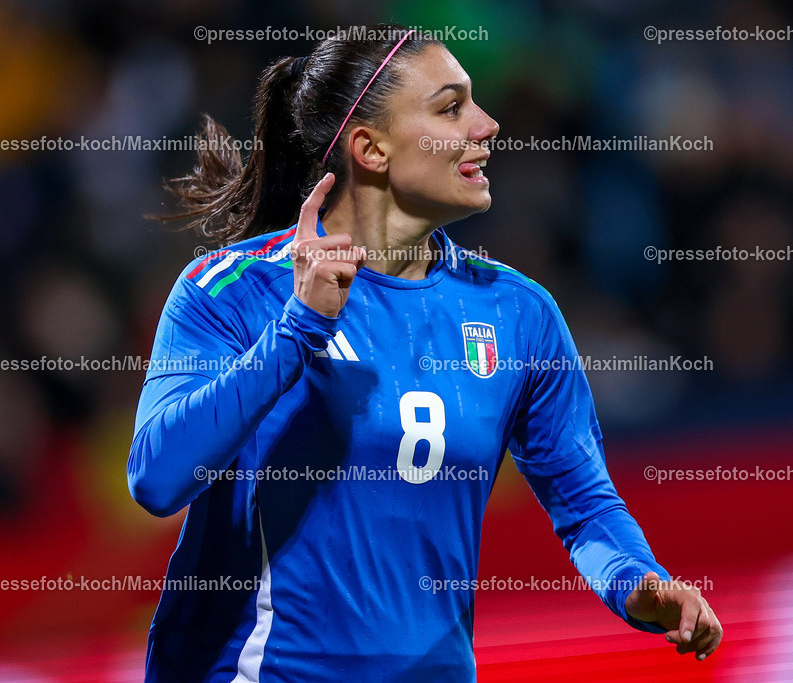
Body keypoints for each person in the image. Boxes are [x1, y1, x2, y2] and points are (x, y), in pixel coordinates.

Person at [128, 24, 722, 681]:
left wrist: (641, 583)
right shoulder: (235, 290)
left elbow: (585, 505)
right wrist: (297, 330)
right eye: (451, 107)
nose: (488, 124)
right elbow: (156, 478)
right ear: (370, 148)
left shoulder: (517, 314)